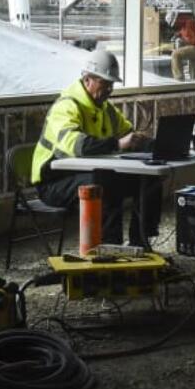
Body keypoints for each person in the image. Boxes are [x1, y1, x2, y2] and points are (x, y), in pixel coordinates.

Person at [31, 48, 161, 246]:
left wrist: (156, 147)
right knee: (105, 182)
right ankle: (110, 247)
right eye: (105, 83)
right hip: (54, 183)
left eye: (111, 84)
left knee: (150, 178)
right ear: (87, 80)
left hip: (90, 174)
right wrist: (117, 144)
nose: (109, 89)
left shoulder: (105, 109)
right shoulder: (66, 107)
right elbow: (79, 146)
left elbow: (129, 135)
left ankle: (141, 242)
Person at [170, 11, 195, 81]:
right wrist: (178, 36)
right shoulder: (183, 28)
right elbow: (183, 35)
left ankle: (179, 78)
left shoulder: (190, 23)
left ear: (177, 19)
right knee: (194, 74)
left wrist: (183, 42)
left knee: (175, 54)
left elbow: (194, 40)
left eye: (175, 23)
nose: (175, 25)